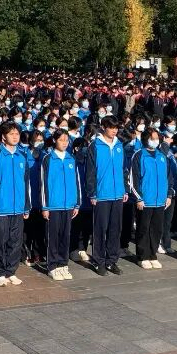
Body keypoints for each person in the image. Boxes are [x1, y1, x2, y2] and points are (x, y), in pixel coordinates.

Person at [0, 121, 30, 286]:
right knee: (0, 241)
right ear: (3, 137)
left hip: (18, 207)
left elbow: (26, 183)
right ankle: (0, 273)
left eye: (17, 133)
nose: (15, 137)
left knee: (15, 242)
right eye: (11, 134)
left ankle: (11, 271)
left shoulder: (22, 156)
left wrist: (26, 206)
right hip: (1, 207)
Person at [85, 116, 127, 276]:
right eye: (111, 127)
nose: (114, 130)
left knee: (115, 229)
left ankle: (111, 260)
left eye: (116, 127)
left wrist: (124, 190)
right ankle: (98, 261)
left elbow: (124, 169)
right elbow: (90, 171)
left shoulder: (119, 145)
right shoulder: (95, 146)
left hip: (117, 194)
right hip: (101, 194)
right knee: (100, 229)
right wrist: (92, 193)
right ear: (103, 127)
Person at [128, 126, 171, 269]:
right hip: (145, 200)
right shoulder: (139, 155)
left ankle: (153, 255)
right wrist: (138, 198)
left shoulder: (162, 156)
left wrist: (169, 195)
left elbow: (168, 177)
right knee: (143, 228)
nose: (156, 141)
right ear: (146, 139)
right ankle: (142, 256)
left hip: (160, 200)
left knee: (157, 229)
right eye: (153, 138)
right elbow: (133, 179)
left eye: (157, 138)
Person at [42, 128, 81, 279]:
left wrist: (77, 203)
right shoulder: (48, 159)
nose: (64, 143)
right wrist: (45, 206)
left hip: (68, 204)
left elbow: (77, 182)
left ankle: (63, 264)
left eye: (66, 140)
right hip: (54, 205)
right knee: (53, 236)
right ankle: (52, 265)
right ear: (54, 140)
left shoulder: (71, 159)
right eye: (61, 140)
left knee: (66, 235)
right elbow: (43, 183)